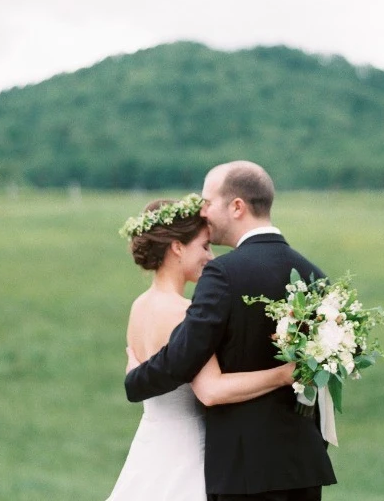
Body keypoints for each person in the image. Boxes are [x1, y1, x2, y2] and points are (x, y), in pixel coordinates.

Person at [125, 161, 337, 501]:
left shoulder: (223, 274)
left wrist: (135, 379)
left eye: (208, 202)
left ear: (236, 206)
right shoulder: (315, 275)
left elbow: (182, 359)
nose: (204, 212)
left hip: (243, 471)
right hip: (303, 464)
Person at [106, 193, 296, 501]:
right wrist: (284, 374)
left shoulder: (139, 306)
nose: (210, 257)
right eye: (204, 246)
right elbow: (213, 389)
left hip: (151, 448)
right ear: (177, 248)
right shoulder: (183, 312)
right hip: (186, 451)